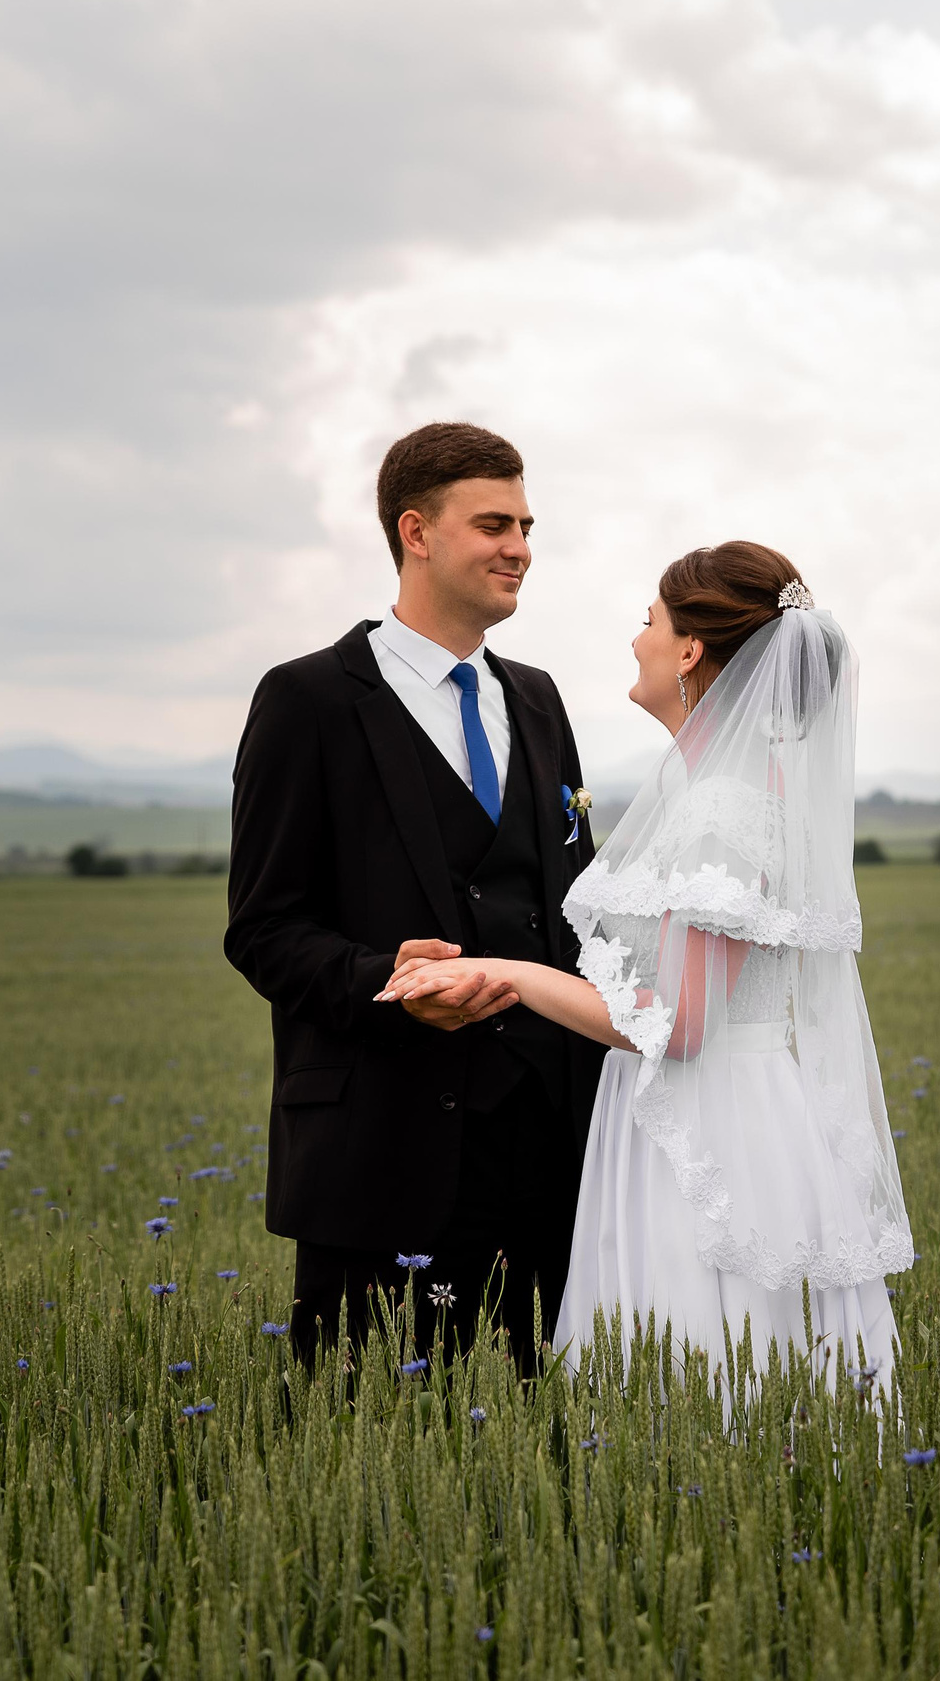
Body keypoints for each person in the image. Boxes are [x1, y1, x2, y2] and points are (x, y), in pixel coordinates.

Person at [379, 542, 914, 1393]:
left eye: (649, 621)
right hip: (738, 1112)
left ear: (692, 650)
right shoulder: (740, 786)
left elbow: (680, 1022)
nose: (638, 641)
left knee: (703, 1371)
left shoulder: (719, 809)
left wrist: (505, 974)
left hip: (702, 1135)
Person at [224, 421, 604, 1374]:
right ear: (416, 532)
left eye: (526, 523)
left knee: (549, 1445)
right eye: (493, 524)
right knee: (370, 1454)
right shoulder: (306, 700)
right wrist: (381, 981)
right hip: (384, 1147)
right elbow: (263, 927)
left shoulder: (539, 698)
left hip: (556, 1153)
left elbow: (576, 903)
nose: (521, 547)